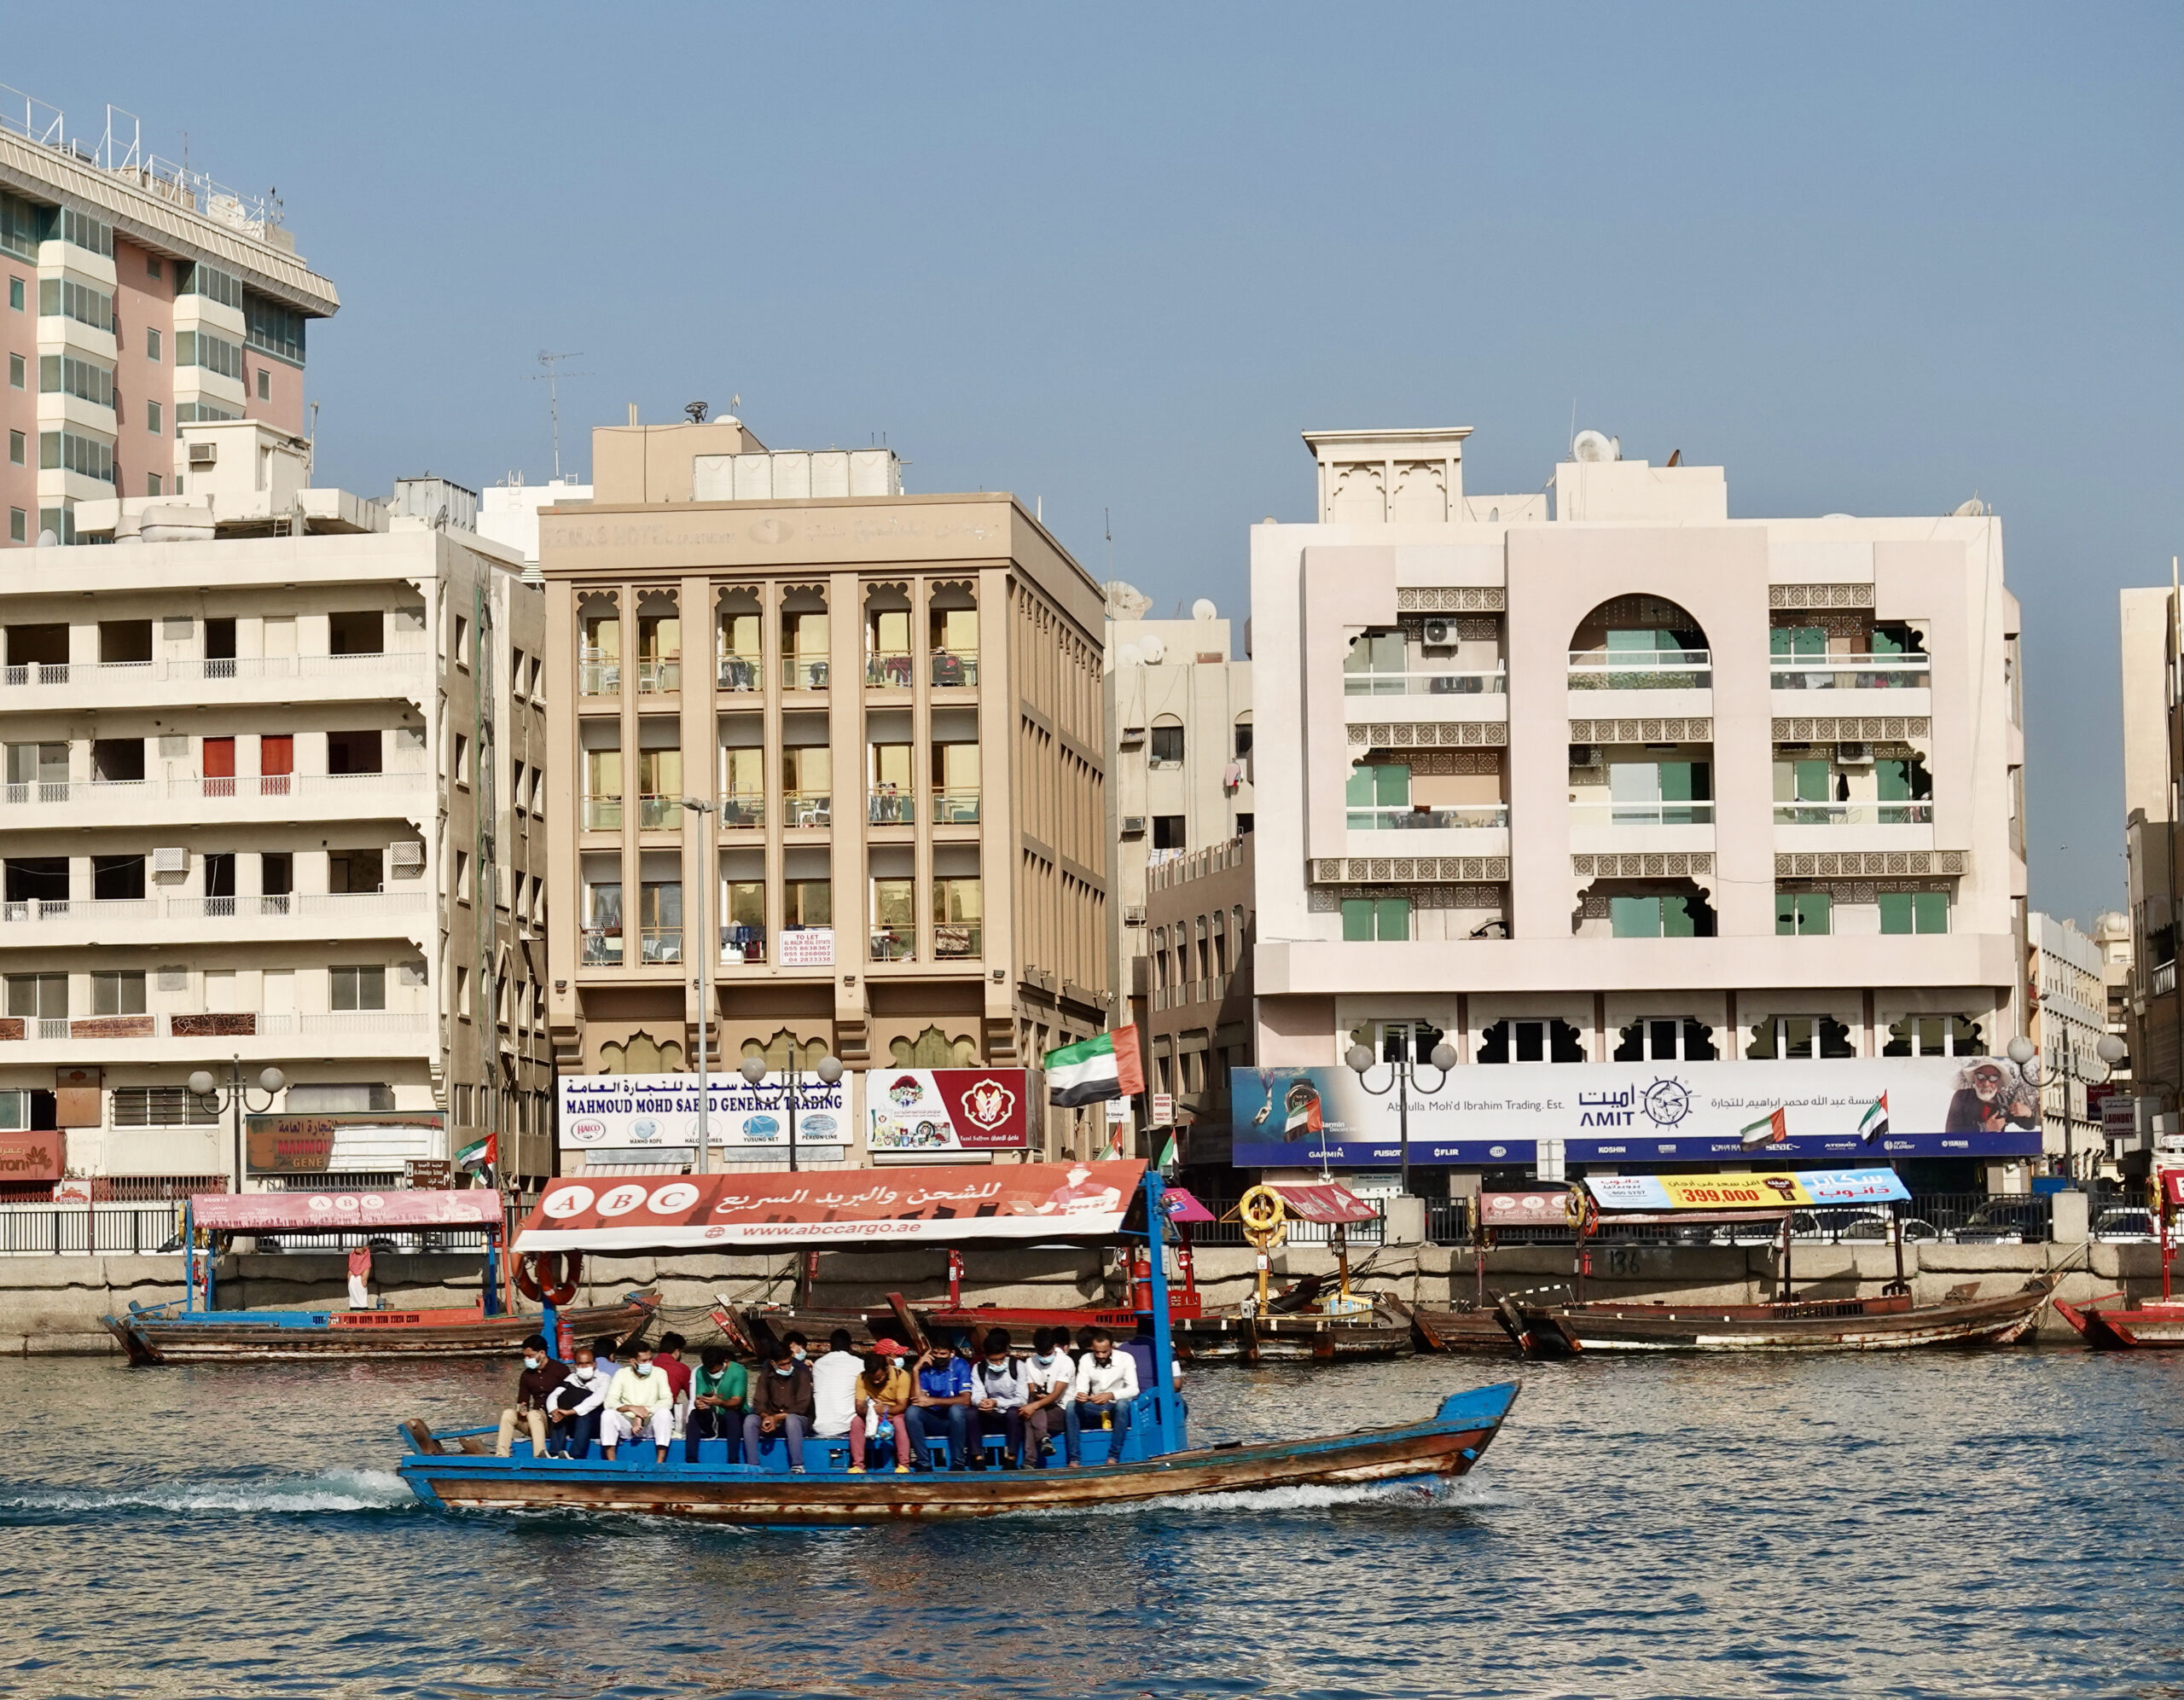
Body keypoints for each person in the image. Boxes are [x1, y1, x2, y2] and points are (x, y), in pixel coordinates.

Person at [1066, 1328, 1139, 1464]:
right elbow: (1081, 1387)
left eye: (1104, 1352)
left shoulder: (1126, 1359)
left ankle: (1114, 1456)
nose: (1100, 1355)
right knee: (1071, 1406)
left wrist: (1111, 1395)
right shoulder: (1086, 1359)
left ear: (1112, 1347)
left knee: (1122, 1404)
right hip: (1094, 1405)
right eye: (1097, 1352)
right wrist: (1081, 1395)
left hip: (1115, 1405)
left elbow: (1134, 1389)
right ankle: (1074, 1459)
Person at [745, 1343, 816, 1472]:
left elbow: (802, 1407)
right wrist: (766, 1418)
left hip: (799, 1421)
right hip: (773, 1420)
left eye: (789, 1363)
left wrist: (777, 1417)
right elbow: (759, 1403)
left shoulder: (802, 1375)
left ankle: (798, 1465)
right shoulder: (766, 1376)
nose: (788, 1367)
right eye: (783, 1365)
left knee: (792, 1420)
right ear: (773, 1363)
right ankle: (753, 1465)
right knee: (750, 1421)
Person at [496, 1334, 570, 1457]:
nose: (526, 1359)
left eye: (530, 1356)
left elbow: (570, 1397)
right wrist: (522, 1410)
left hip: (553, 1422)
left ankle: (539, 1456)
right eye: (524, 1356)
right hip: (533, 1421)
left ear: (542, 1353)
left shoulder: (560, 1370)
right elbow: (523, 1400)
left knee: (534, 1414)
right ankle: (501, 1455)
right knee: (508, 1414)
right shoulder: (526, 1375)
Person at [905, 1339, 973, 1470]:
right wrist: (916, 1369)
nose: (938, 1357)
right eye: (935, 1353)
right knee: (912, 1412)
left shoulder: (961, 1365)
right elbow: (916, 1399)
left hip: (954, 1421)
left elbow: (966, 1400)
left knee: (957, 1410)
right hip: (933, 1419)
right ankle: (924, 1462)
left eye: (943, 1354)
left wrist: (933, 1401)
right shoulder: (926, 1367)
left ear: (951, 1353)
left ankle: (958, 1462)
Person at [601, 1342, 675, 1462]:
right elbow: (609, 1402)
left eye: (650, 1359)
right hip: (628, 1425)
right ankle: (612, 1463)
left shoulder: (659, 1373)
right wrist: (631, 1408)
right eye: (643, 1361)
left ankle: (660, 1463)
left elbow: (667, 1400)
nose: (648, 1364)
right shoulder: (622, 1374)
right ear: (632, 1362)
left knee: (664, 1414)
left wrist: (643, 1412)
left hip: (650, 1424)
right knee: (607, 1415)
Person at [850, 1341, 914, 1473]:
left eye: (879, 1378)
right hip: (873, 1415)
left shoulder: (901, 1376)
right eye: (872, 1379)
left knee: (899, 1421)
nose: (875, 1382)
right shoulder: (862, 1378)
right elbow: (859, 1406)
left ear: (886, 1369)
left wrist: (885, 1409)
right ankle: (858, 1465)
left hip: (894, 1414)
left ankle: (903, 1464)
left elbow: (902, 1406)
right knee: (856, 1422)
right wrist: (871, 1411)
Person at [968, 1328, 1028, 1469]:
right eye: (993, 1361)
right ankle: (977, 1459)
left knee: (1014, 1413)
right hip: (990, 1414)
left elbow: (1021, 1399)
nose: (998, 1364)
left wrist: (997, 1403)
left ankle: (1011, 1459)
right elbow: (976, 1394)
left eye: (1001, 1360)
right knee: (970, 1413)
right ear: (986, 1357)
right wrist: (982, 1403)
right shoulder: (979, 1368)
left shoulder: (1018, 1366)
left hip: (1010, 1413)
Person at [1021, 1327, 1077, 1468]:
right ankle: (1044, 1439)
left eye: (1048, 1354)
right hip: (1041, 1408)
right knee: (1031, 1411)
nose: (1045, 1358)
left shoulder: (1066, 1362)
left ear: (1054, 1346)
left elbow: (1057, 1394)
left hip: (1062, 1409)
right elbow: (1031, 1389)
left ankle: (1029, 1462)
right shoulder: (1029, 1363)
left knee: (1030, 1415)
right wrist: (1036, 1396)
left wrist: (1035, 1404)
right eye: (1041, 1354)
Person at [684, 1343, 746, 1464]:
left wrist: (720, 1402)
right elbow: (699, 1397)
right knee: (694, 1414)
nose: (713, 1374)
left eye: (716, 1371)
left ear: (725, 1362)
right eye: (710, 1372)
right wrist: (699, 1404)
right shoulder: (701, 1372)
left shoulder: (738, 1371)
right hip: (713, 1417)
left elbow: (737, 1401)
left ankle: (733, 1460)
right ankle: (691, 1459)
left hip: (736, 1417)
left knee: (731, 1414)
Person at [546, 1345, 610, 1459]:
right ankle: (555, 1453)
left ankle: (575, 1455)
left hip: (594, 1422)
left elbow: (596, 1399)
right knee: (561, 1410)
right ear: (575, 1366)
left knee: (583, 1414)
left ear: (594, 1365)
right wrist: (554, 1411)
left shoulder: (604, 1378)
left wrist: (571, 1412)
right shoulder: (571, 1378)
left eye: (588, 1363)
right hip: (572, 1421)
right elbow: (554, 1395)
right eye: (580, 1364)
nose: (584, 1367)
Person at [810, 1328, 864, 1449]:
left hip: (819, 1426)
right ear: (850, 1346)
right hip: (846, 1426)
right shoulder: (859, 1364)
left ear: (830, 1346)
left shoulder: (818, 1364)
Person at [346, 1242, 373, 1311]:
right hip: (363, 1309)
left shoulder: (350, 1278)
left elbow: (352, 1266)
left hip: (352, 1309)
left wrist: (356, 1252)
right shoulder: (363, 1280)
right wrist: (365, 1252)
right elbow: (367, 1266)